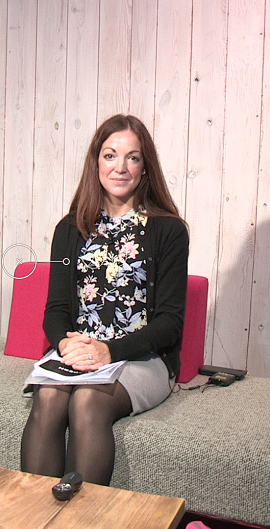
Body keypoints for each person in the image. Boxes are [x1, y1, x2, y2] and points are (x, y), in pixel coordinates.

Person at [20, 114, 189, 485]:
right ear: (96, 161)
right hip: (79, 351)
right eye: (110, 155)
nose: (120, 167)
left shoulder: (169, 231)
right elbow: (56, 310)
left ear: (145, 168)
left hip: (141, 358)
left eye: (133, 157)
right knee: (47, 400)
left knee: (87, 401)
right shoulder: (70, 229)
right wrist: (65, 342)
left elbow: (169, 323)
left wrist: (108, 351)